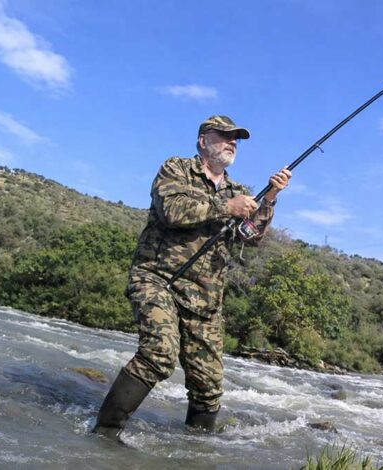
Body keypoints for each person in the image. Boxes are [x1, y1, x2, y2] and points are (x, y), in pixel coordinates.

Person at [92, 115, 291, 438]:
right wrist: (227, 206)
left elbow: (251, 235)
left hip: (206, 300)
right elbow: (172, 210)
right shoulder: (176, 169)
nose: (231, 142)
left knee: (209, 386)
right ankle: (104, 435)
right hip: (159, 280)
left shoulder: (238, 191)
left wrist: (268, 201)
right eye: (224, 135)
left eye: (235, 138)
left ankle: (194, 453)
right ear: (202, 140)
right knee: (158, 354)